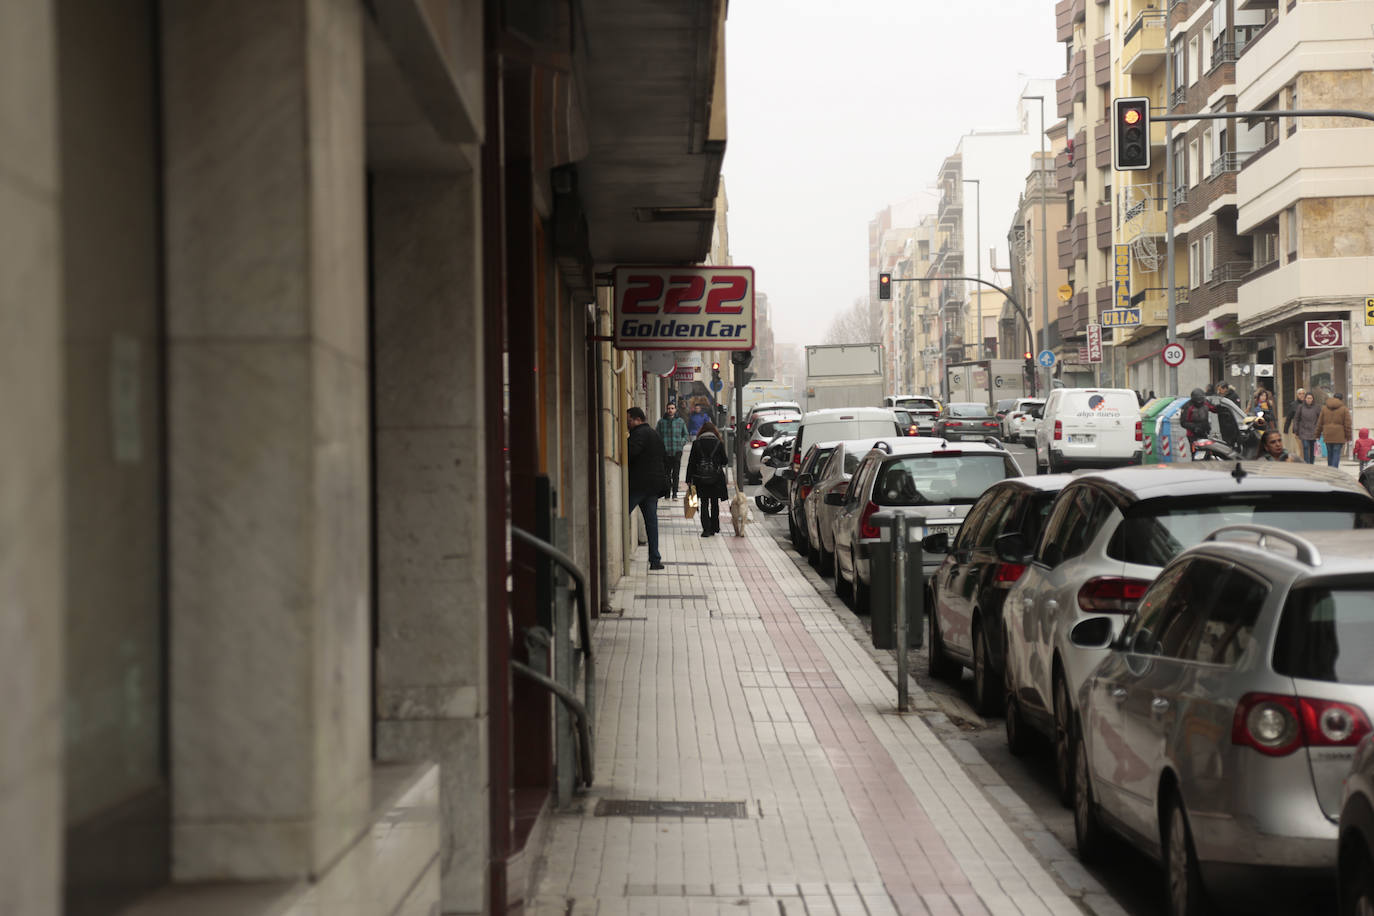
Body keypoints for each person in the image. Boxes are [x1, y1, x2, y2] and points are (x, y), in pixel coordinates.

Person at [625, 406, 667, 570]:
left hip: (638, 484)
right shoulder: (654, 434)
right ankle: (655, 560)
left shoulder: (639, 434)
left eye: (628, 419)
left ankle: (616, 554)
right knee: (652, 523)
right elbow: (663, 455)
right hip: (653, 486)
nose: (627, 423)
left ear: (636, 419)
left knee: (621, 515)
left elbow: (630, 453)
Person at [686, 420, 729, 537]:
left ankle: (706, 529)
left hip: (700, 478)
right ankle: (715, 527)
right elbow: (725, 461)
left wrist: (688, 479)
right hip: (715, 478)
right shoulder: (718, 443)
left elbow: (691, 462)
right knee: (714, 503)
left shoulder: (696, 443)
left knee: (704, 503)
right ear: (714, 431)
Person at [656, 402, 689, 499]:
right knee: (666, 474)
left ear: (675, 410)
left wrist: (681, 443)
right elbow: (657, 435)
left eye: (672, 408)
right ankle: (667, 493)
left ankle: (675, 493)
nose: (670, 410)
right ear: (666, 409)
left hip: (677, 451)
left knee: (676, 473)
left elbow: (685, 435)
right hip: (665, 451)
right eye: (669, 408)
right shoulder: (661, 422)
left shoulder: (680, 421)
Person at [1317, 392, 1353, 469]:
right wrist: (1348, 437)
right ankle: (1335, 470)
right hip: (1339, 436)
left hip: (1327, 435)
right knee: (1336, 454)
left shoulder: (1324, 408)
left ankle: (1330, 470)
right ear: (1341, 399)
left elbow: (1320, 423)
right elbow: (1347, 425)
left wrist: (1317, 434)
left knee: (1329, 453)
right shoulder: (1344, 409)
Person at [1293, 390, 1324, 464]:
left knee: (1312, 449)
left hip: (1313, 431)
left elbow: (1320, 419)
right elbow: (1296, 418)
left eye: (1310, 398)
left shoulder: (1317, 407)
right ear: (1305, 399)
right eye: (1307, 398)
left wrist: (1319, 429)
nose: (1309, 400)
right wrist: (1295, 428)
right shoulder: (1300, 407)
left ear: (1313, 399)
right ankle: (1307, 463)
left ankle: (1311, 462)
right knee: (1306, 447)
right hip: (1303, 430)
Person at [1284, 387, 1306, 454]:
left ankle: (1308, 461)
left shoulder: (1309, 404)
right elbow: (1289, 418)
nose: (1302, 395)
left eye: (1303, 393)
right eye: (1300, 394)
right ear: (1297, 395)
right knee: (1301, 447)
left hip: (1309, 429)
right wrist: (1286, 429)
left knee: (1308, 447)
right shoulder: (1293, 405)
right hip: (1298, 429)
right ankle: (1304, 462)